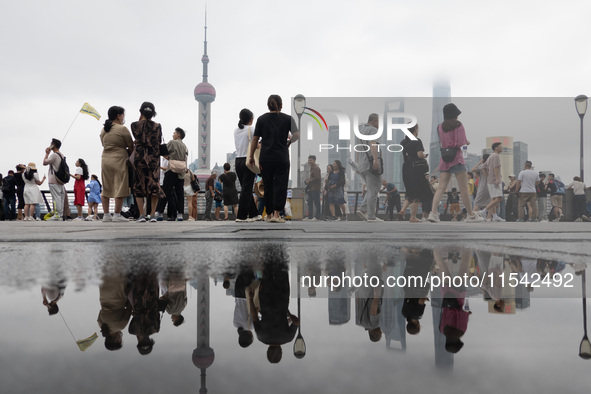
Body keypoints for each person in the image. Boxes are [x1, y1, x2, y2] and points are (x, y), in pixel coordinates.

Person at [428, 104, 484, 223]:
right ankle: (470, 215)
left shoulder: (439, 127)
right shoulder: (459, 125)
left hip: (444, 159)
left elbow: (443, 141)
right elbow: (461, 142)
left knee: (441, 188)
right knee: (463, 188)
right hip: (456, 159)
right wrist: (466, 142)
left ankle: (432, 213)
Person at [248, 95, 299, 223]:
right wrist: (289, 142)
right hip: (282, 157)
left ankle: (269, 214)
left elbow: (255, 139)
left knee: (268, 186)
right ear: (281, 106)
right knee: (281, 185)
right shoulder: (288, 119)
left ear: (268, 106)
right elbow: (297, 135)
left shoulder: (261, 119)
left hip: (266, 158)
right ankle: (277, 214)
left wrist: (250, 156)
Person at [131, 102, 166, 223]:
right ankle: (152, 215)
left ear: (141, 112)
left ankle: (141, 214)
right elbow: (159, 140)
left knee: (139, 184)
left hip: (140, 157)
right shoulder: (157, 126)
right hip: (154, 158)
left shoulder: (134, 125)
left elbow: (137, 136)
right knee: (154, 184)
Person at [100, 106, 134, 223]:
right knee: (120, 185)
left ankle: (106, 214)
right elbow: (130, 146)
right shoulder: (122, 129)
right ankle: (117, 214)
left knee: (106, 186)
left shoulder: (104, 130)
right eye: (123, 114)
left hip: (105, 159)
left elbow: (102, 143)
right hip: (119, 158)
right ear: (118, 116)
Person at [400, 123, 432, 222]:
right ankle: (413, 216)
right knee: (419, 192)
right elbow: (419, 155)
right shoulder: (417, 141)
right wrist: (425, 155)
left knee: (411, 192)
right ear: (415, 129)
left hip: (406, 168)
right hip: (416, 169)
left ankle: (403, 210)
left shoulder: (403, 142)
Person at [234, 109, 261, 222]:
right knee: (246, 189)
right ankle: (241, 216)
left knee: (246, 189)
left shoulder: (236, 130)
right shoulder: (251, 129)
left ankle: (254, 214)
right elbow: (257, 145)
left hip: (238, 161)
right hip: (248, 160)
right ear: (251, 119)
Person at [356, 113, 383, 222]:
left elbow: (358, 149)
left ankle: (363, 209)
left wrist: (358, 164)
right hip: (370, 164)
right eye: (379, 122)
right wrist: (376, 159)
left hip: (362, 165)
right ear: (375, 121)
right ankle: (371, 216)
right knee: (375, 188)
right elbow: (373, 143)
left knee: (371, 188)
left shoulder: (361, 131)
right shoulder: (373, 130)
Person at [163, 127, 188, 221]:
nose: (173, 135)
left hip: (172, 169)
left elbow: (164, 150)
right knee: (179, 193)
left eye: (174, 133)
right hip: (181, 171)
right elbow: (185, 158)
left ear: (178, 135)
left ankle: (159, 212)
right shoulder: (185, 146)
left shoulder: (172, 142)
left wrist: (168, 157)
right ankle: (180, 213)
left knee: (166, 190)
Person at [43, 138, 67, 221]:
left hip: (54, 179)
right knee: (61, 198)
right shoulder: (62, 155)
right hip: (61, 180)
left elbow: (44, 162)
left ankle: (57, 215)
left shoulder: (54, 155)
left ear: (53, 145)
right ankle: (60, 215)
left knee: (56, 198)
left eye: (51, 144)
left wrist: (47, 153)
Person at [481, 142, 504, 222]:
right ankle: (484, 211)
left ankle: (494, 216)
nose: (502, 147)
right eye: (500, 146)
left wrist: (488, 176)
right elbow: (496, 167)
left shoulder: (491, 156)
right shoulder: (496, 156)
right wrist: (497, 178)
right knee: (499, 198)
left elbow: (483, 167)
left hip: (490, 180)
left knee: (493, 198)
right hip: (495, 180)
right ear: (496, 148)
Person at [304, 155, 321, 221]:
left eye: (311, 160)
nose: (309, 161)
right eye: (308, 160)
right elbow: (313, 177)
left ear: (314, 160)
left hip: (315, 188)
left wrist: (309, 180)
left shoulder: (316, 168)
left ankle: (317, 217)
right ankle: (310, 216)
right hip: (311, 188)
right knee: (310, 202)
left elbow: (317, 178)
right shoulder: (312, 168)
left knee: (316, 203)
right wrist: (308, 180)